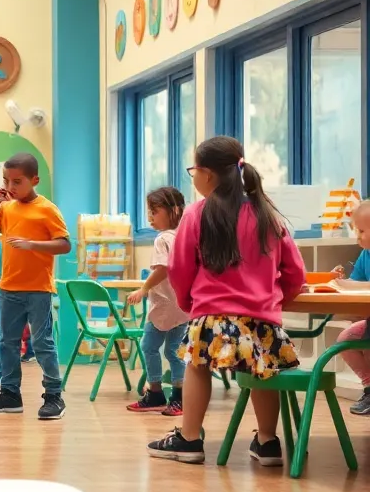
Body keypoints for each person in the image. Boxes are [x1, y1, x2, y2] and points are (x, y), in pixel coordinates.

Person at [149, 136, 306, 464]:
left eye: (194, 170)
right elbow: (295, 273)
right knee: (263, 370)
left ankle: (189, 439)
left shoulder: (197, 213)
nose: (193, 177)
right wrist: (276, 301)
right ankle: (267, 443)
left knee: (197, 365)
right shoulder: (267, 215)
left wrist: (190, 304)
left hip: (213, 315)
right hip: (261, 318)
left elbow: (179, 269)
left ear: (206, 174)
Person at [0, 152, 71, 420]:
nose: (10, 187)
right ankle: (10, 394)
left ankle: (54, 395)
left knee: (42, 343)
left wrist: (33, 245)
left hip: (38, 289)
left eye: (17, 181)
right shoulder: (5, 207)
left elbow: (65, 244)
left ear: (35, 180)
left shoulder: (47, 209)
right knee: (7, 343)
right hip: (8, 289)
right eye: (6, 180)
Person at [124, 187, 190, 415]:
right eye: (149, 212)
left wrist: (144, 288)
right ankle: (179, 398)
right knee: (174, 352)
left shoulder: (163, 239)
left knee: (149, 347)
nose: (150, 217)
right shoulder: (185, 236)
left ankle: (155, 393)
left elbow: (163, 268)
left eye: (154, 211)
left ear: (174, 210)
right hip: (182, 307)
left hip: (163, 307)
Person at [328, 200, 370, 414]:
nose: (358, 236)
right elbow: (356, 284)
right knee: (346, 340)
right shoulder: (365, 255)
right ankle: (369, 387)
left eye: (362, 230)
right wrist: (341, 279)